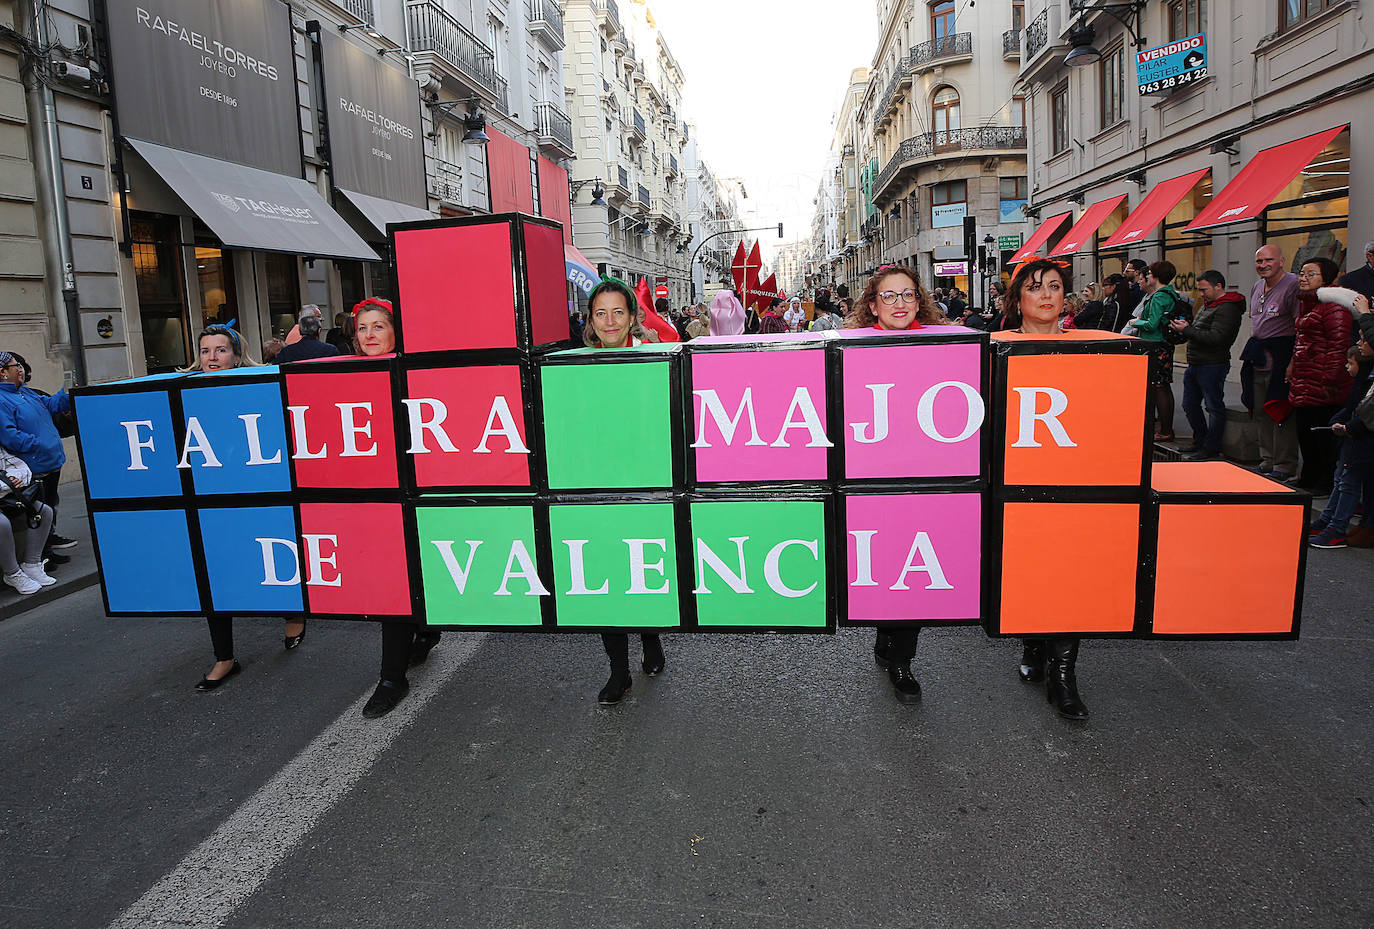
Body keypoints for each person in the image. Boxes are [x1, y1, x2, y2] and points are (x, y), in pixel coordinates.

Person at [179, 326, 307, 691]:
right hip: (212, 496)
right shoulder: (184, 391)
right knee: (216, 572)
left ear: (236, 355)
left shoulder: (261, 384)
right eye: (205, 351)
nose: (212, 357)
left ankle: (293, 610)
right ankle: (224, 658)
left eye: (221, 350)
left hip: (263, 488)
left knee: (273, 556)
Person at [845, 263, 942, 703]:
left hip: (924, 474)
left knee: (916, 571)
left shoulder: (945, 346)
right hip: (869, 474)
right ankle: (886, 631)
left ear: (919, 301)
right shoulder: (850, 349)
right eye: (889, 296)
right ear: (873, 304)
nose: (900, 303)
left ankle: (903, 660)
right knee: (885, 562)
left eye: (908, 295)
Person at [1000, 258, 1090, 721]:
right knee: (1030, 570)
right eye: (1035, 288)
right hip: (1016, 481)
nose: (1047, 295)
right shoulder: (994, 349)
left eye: (1055, 286)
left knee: (1069, 573)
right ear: (1018, 301)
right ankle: (1034, 641)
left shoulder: (1095, 349)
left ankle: (1063, 676)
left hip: (1076, 481)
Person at [356, 299, 442, 718]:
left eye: (378, 326)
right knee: (394, 581)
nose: (369, 334)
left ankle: (425, 631)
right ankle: (392, 678)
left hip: (420, 488)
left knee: (423, 570)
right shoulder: (343, 375)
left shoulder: (415, 369)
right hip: (378, 495)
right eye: (362, 328)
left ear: (395, 331)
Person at [581, 278, 665, 706]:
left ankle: (651, 638)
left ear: (633, 317)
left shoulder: (656, 359)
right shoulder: (571, 365)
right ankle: (618, 671)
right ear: (590, 321)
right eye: (601, 313)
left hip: (646, 485)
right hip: (594, 490)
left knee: (642, 569)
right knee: (606, 578)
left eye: (618, 312)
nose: (610, 321)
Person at [0, 350, 74, 564]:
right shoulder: (3, 399)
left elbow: (50, 405)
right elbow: (10, 435)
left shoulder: (25, 392)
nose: (21, 370)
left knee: (50, 506)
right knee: (37, 512)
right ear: (3, 372)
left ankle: (47, 549)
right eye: (16, 366)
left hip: (50, 461)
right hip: (35, 465)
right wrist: (37, 443)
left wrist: (66, 392)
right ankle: (39, 557)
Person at [1287, 258, 1352, 495]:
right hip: (1305, 377)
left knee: (1322, 436)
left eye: (1310, 274)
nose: (1303, 278)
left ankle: (1324, 482)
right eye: (1301, 273)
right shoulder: (1307, 303)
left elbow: (1338, 346)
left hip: (1323, 382)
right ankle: (1308, 477)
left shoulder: (1334, 306)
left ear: (1326, 278)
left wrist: (1330, 380)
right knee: (1306, 432)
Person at [1241, 245, 1302, 480]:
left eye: (1269, 260)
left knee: (1281, 411)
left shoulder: (1293, 284)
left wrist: (1293, 362)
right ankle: (1266, 459)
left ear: (1281, 261)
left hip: (1282, 355)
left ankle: (1284, 464)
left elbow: (1299, 327)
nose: (1263, 265)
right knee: (1260, 410)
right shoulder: (1258, 286)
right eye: (1259, 261)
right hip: (1258, 356)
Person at [1173, 270, 1245, 460]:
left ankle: (1211, 446)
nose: (1201, 294)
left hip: (1212, 364)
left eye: (1204, 290)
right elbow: (1203, 331)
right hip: (1196, 362)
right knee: (1189, 404)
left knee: (1213, 407)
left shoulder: (1227, 308)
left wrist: (1187, 330)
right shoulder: (1209, 305)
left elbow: (1217, 338)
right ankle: (1201, 440)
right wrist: (1187, 328)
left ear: (1218, 286)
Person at [1308, 345, 1374, 548]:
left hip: (1361, 438)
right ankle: (1329, 521)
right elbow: (1355, 404)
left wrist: (1349, 426)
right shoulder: (1364, 376)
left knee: (1348, 482)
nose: (1361, 343)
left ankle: (1336, 528)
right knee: (1341, 479)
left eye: (1350, 363)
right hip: (1354, 434)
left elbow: (1366, 411)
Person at [1129, 260, 1183, 441]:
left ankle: (1165, 430)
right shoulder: (1168, 294)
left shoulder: (1160, 296)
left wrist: (1137, 322)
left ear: (1157, 276)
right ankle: (1165, 427)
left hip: (1156, 344)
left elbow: (1152, 324)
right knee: (1163, 387)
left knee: (1160, 387)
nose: (1146, 276)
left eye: (1150, 273)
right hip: (1162, 344)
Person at [0, 444, 55, 594]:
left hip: (5, 495)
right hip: (6, 491)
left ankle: (31, 565)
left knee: (44, 511)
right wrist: (8, 483)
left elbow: (17, 465)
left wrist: (15, 478)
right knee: (1, 524)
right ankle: (12, 574)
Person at [274, 306, 341, 363]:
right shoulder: (330, 350)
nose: (322, 319)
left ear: (300, 331)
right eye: (319, 319)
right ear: (319, 330)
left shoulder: (287, 351)